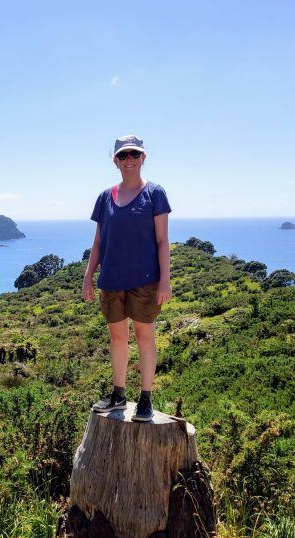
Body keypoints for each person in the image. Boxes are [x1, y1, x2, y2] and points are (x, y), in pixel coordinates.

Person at [82, 135, 172, 422]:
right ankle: (119, 394)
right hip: (111, 279)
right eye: (123, 155)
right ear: (115, 161)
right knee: (118, 337)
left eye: (134, 154)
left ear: (143, 158)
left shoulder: (155, 194)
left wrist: (165, 280)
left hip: (145, 281)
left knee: (145, 337)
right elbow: (98, 242)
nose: (129, 160)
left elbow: (162, 241)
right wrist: (88, 276)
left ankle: (145, 399)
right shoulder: (104, 197)